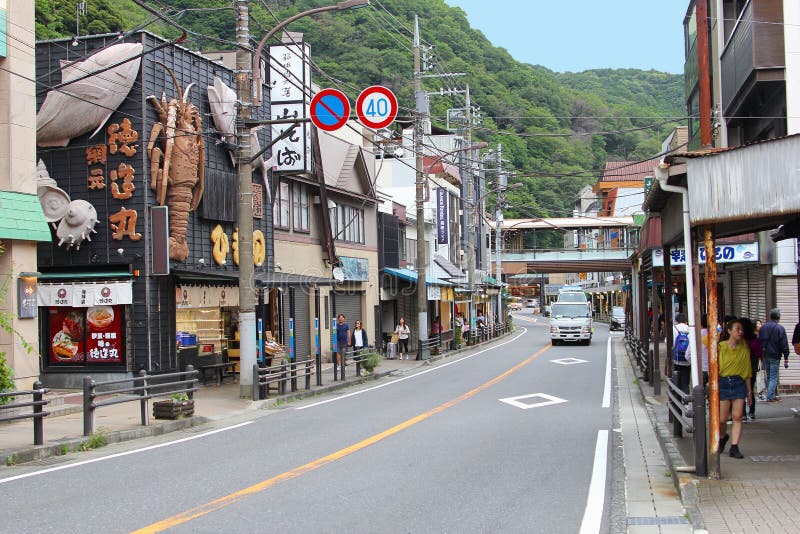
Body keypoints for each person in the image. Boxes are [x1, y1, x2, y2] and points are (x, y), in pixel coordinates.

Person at [717, 319, 752, 459]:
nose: (740, 332)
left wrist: (749, 392)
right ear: (729, 331)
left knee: (738, 416)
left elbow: (747, 371)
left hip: (739, 382)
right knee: (722, 419)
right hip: (723, 382)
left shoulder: (744, 348)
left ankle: (734, 446)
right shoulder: (720, 347)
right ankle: (722, 436)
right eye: (737, 329)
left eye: (741, 329)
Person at [758, 308, 790, 402]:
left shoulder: (763, 327)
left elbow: (759, 340)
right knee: (773, 377)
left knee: (769, 375)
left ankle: (771, 394)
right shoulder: (780, 328)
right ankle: (770, 396)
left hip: (765, 354)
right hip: (775, 355)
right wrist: (786, 356)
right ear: (779, 317)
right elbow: (784, 344)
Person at [740, 318, 762, 421]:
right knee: (750, 390)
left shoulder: (740, 340)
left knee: (741, 391)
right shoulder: (755, 339)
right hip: (752, 366)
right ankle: (752, 412)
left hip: (740, 368)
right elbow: (759, 353)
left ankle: (743, 413)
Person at [672, 313, 694, 394]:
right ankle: (686, 402)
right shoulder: (690, 329)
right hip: (687, 360)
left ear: (677, 321)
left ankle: (678, 399)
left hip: (677, 359)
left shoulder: (674, 328)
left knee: (677, 380)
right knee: (685, 382)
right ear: (686, 321)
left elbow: (670, 343)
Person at [700, 314, 710, 388]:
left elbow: (687, 355)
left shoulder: (696, 335)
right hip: (714, 369)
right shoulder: (717, 334)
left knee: (700, 393)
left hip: (701, 368)